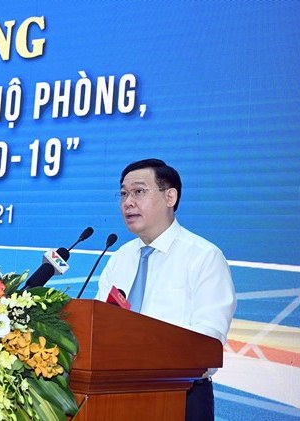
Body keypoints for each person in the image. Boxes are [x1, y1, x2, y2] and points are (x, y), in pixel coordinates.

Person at [95, 158, 236, 421]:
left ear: (170, 197)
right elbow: (98, 327)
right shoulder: (120, 258)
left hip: (182, 396)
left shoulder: (203, 257)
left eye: (138, 191)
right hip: (115, 396)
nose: (128, 202)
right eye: (123, 194)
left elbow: (209, 342)